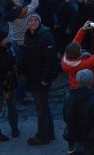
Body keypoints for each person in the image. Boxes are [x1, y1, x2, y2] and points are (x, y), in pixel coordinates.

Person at [23, 12, 59, 146]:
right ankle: (50, 133)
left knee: (41, 109)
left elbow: (51, 60)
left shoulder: (45, 36)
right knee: (44, 106)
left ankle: (43, 136)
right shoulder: (29, 35)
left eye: (35, 20)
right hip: (34, 77)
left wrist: (46, 78)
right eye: (30, 21)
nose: (33, 22)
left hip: (41, 78)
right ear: (27, 24)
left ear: (39, 22)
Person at [63, 69, 94, 155]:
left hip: (74, 137)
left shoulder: (69, 96)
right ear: (91, 81)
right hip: (89, 139)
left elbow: (65, 117)